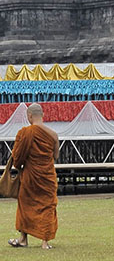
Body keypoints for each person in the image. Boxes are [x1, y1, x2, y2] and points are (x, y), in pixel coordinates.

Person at [7, 104, 58, 250]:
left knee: (25, 206)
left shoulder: (25, 133)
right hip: (47, 176)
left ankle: (23, 239)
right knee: (47, 206)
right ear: (43, 115)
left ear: (29, 116)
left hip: (30, 176)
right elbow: (55, 156)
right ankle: (45, 242)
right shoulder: (53, 135)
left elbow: (17, 159)